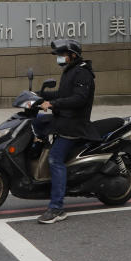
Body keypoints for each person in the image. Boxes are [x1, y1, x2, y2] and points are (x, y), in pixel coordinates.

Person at [34, 38, 100, 224]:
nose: (60, 58)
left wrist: (53, 103)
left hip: (74, 124)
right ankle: (40, 148)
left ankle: (57, 208)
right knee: (36, 121)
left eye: (62, 55)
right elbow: (63, 95)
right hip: (62, 119)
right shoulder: (70, 71)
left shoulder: (83, 74)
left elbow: (78, 99)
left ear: (73, 55)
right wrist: (40, 95)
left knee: (55, 159)